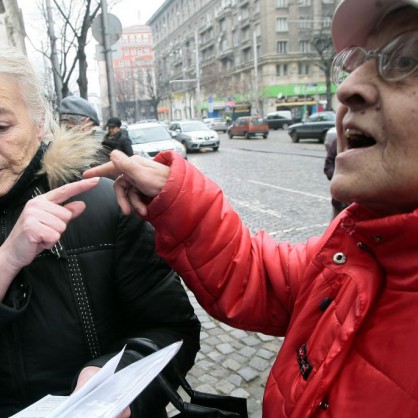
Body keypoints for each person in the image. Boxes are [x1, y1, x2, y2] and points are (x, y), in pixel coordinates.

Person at [84, 0, 418, 416]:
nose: (348, 89)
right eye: (353, 64)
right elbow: (257, 275)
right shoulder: (359, 249)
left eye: (406, 59)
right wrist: (174, 193)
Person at [0, 47, 200, 418]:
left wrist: (118, 384)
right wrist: (7, 260)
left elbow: (171, 328)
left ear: (40, 122)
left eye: (1, 127)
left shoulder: (105, 205)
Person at [323, 137, 350, 219]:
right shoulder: (337, 142)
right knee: (335, 228)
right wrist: (339, 175)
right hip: (339, 202)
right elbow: (328, 166)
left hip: (360, 204)